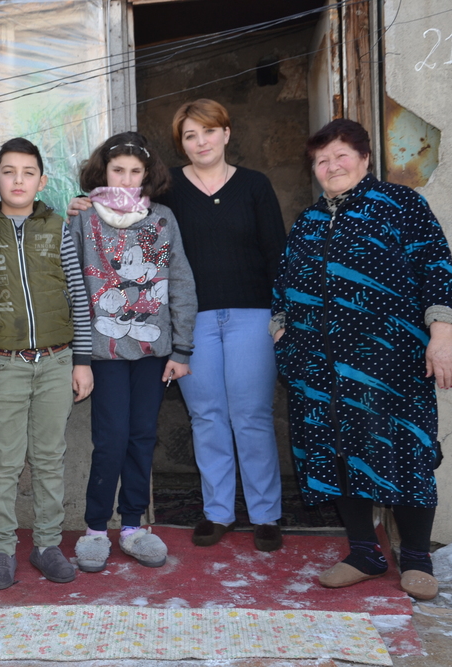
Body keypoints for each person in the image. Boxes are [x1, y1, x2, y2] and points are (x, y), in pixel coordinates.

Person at [271, 118, 452, 601]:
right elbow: (283, 286)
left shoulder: (402, 204)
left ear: (365, 158)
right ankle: (363, 552)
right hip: (319, 366)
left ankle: (415, 558)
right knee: (337, 450)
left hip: (391, 362)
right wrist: (282, 334)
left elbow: (437, 269)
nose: (331, 166)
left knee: (406, 449)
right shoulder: (308, 222)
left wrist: (442, 337)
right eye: (321, 160)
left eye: (341, 155)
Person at [67, 132, 197, 573]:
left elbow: (181, 281)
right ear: (102, 172)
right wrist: (78, 356)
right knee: (110, 439)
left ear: (147, 175)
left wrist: (182, 348)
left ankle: (133, 526)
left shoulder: (162, 219)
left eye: (134, 171)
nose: (125, 179)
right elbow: (71, 287)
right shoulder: (83, 217)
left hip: (153, 350)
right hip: (102, 352)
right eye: (117, 170)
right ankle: (95, 529)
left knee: (142, 436)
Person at [161, 100, 286, 552]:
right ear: (181, 144)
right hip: (192, 321)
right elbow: (128, 217)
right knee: (206, 415)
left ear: (227, 133)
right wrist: (85, 202)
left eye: (209, 131)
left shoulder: (254, 185)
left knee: (252, 415)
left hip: (252, 316)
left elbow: (277, 252)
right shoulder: (167, 187)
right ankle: (218, 512)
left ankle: (266, 514)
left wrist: (281, 316)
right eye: (190, 136)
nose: (201, 142)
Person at [0, 138, 94, 591]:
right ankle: (1, 550)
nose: (18, 180)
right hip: (2, 363)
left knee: (49, 458)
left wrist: (82, 361)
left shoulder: (57, 228)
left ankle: (47, 545)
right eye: (8, 172)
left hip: (55, 361)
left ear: (42, 181)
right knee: (3, 461)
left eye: (28, 173)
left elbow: (78, 296)